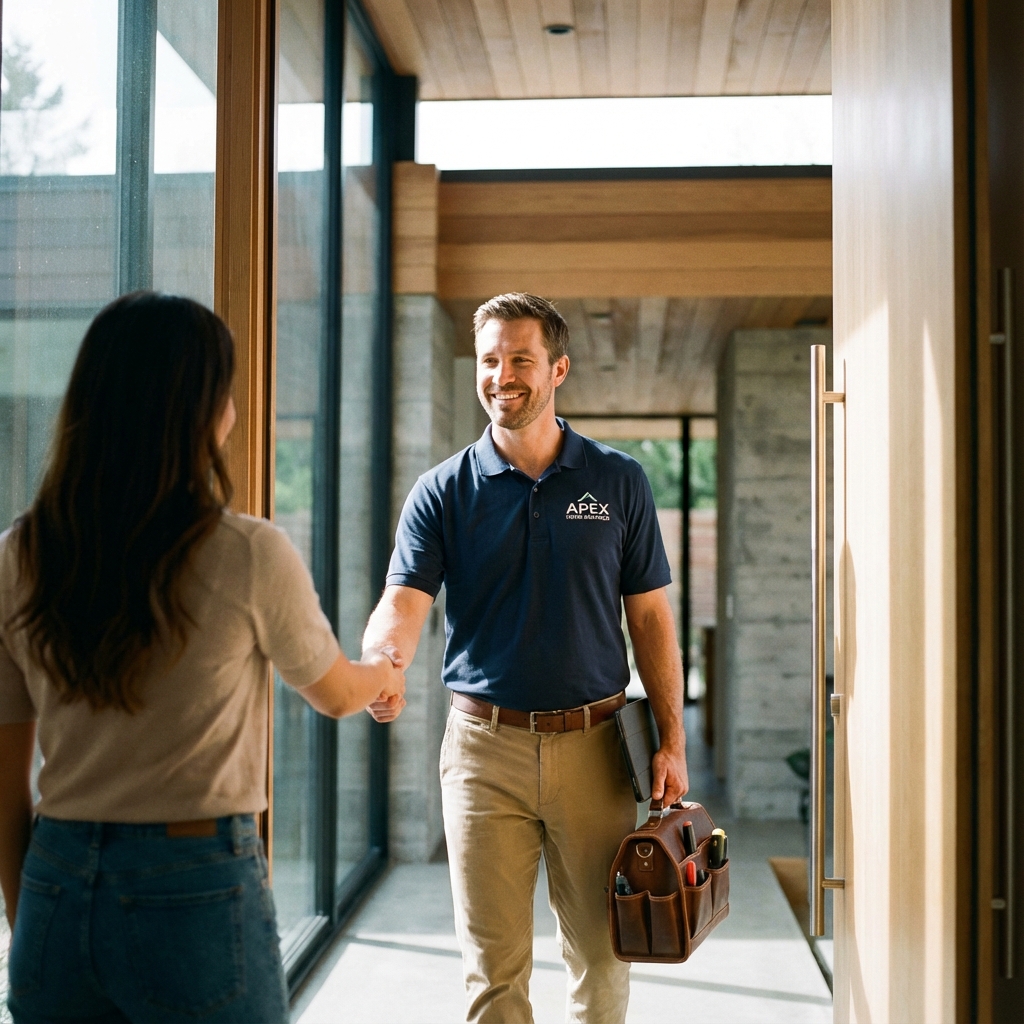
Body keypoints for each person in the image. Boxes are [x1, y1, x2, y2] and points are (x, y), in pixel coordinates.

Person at [0, 292, 404, 1023]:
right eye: (225, 390)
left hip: (54, 878)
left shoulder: (20, 554)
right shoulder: (245, 551)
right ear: (199, 409)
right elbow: (338, 693)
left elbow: (3, 781)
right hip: (191, 884)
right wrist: (384, 667)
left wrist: (30, 916)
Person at [362, 292, 688, 1024]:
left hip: (598, 754)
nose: (501, 375)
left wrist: (671, 737)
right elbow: (403, 602)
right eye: (489, 359)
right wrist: (383, 661)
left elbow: (651, 616)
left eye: (519, 359)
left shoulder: (617, 481)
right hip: (483, 753)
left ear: (557, 369)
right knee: (493, 980)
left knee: (604, 965)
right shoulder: (441, 492)